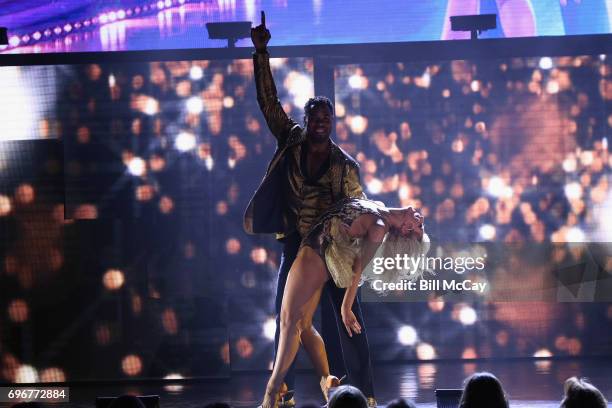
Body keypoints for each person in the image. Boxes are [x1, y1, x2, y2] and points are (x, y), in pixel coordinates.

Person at [246, 11, 378, 407]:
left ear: (333, 122)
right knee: (288, 321)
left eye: (327, 119)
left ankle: (362, 395)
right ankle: (284, 392)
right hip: (297, 247)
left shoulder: (345, 165)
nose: (321, 123)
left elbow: (359, 211)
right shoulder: (291, 141)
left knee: (347, 320)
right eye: (315, 118)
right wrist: (261, 52)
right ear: (306, 121)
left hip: (334, 252)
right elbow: (268, 101)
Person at [257, 196, 428, 407]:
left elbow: (358, 267)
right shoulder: (379, 208)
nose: (420, 219)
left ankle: (271, 394)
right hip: (316, 251)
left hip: (314, 255)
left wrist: (346, 306)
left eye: (418, 226)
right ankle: (328, 382)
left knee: (288, 322)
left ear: (406, 229)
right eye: (422, 224)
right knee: (303, 325)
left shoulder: (379, 228)